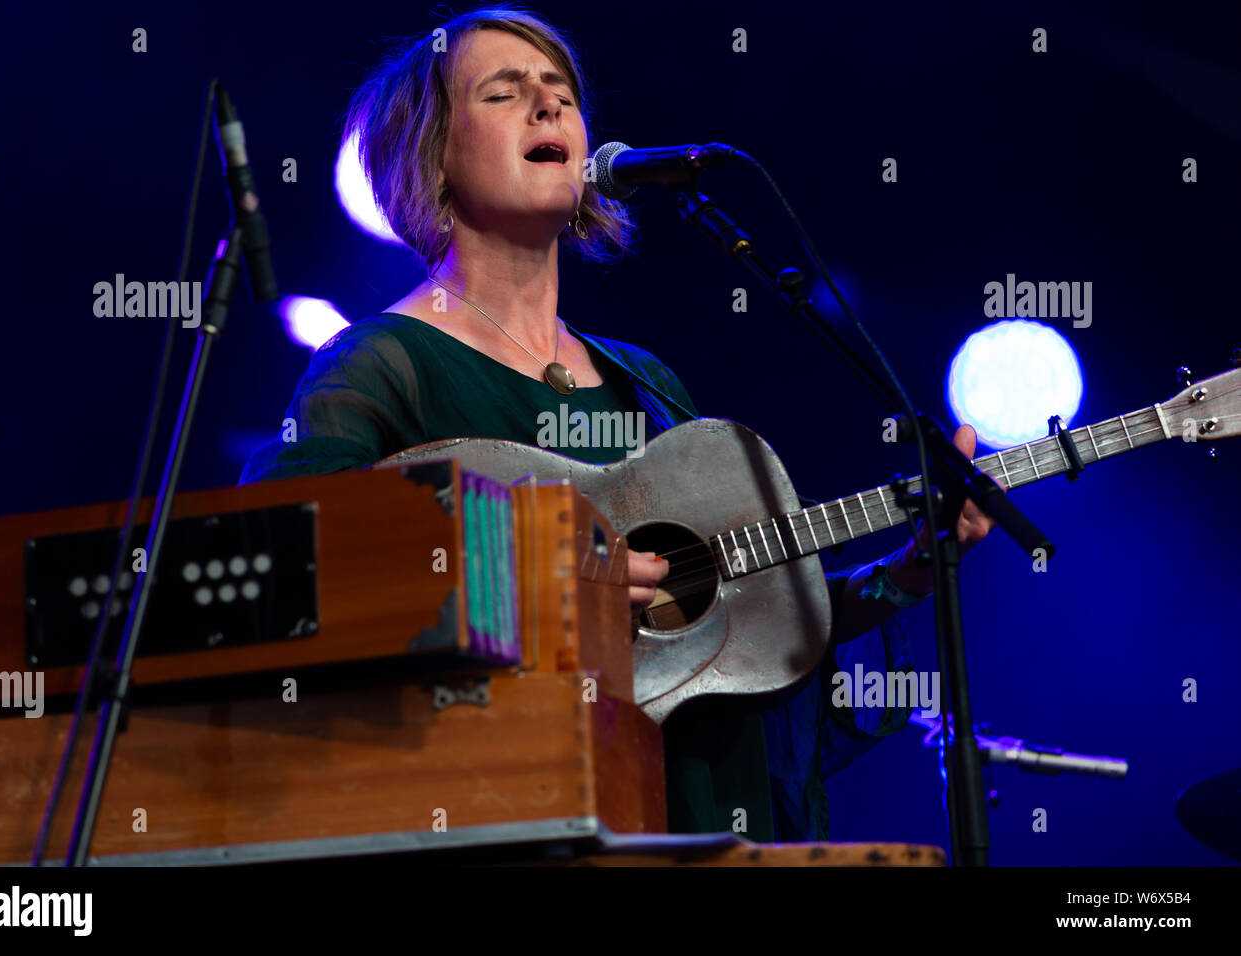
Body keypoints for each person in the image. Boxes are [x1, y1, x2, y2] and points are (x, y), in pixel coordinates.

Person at [240, 5, 995, 842]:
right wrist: (522, 567)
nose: (549, 106)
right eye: (504, 92)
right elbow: (294, 557)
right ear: (432, 158)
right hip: (507, 813)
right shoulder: (381, 361)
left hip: (697, 809)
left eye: (560, 91)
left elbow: (750, 616)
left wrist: (913, 571)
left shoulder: (649, 382)